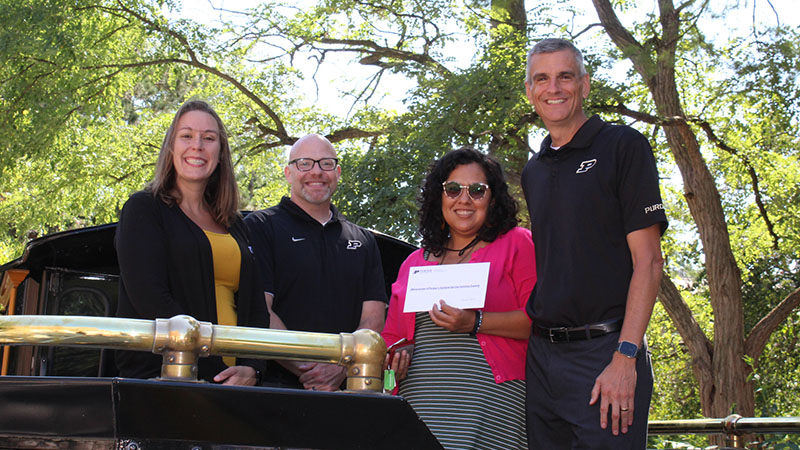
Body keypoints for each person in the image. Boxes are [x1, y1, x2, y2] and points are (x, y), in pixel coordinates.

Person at [521, 38, 668, 449]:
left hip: (605, 353)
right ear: (530, 91)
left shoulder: (623, 146)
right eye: (542, 78)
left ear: (584, 85)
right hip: (543, 358)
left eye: (565, 76)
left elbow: (649, 263)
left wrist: (625, 357)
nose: (554, 88)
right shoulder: (533, 170)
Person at [383, 147, 537, 450]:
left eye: (477, 190)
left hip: (493, 407)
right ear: (438, 197)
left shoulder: (517, 243)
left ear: (493, 199)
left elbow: (540, 321)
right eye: (453, 189)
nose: (463, 199)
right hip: (419, 405)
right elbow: (391, 337)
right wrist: (393, 359)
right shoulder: (414, 262)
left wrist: (475, 322)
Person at [115, 100, 267, 385]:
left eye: (209, 138)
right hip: (167, 380)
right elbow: (149, 297)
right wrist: (215, 368)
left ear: (220, 153)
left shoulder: (236, 224)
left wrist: (253, 368)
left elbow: (256, 308)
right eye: (187, 136)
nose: (197, 145)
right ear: (171, 147)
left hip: (238, 387)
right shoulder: (143, 209)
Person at [245, 133, 387, 391]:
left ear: (338, 172)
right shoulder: (260, 227)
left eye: (326, 164)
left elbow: (373, 320)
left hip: (348, 387)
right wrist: (309, 368)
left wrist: (341, 366)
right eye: (305, 164)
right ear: (288, 173)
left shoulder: (363, 240)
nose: (317, 172)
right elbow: (261, 310)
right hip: (277, 386)